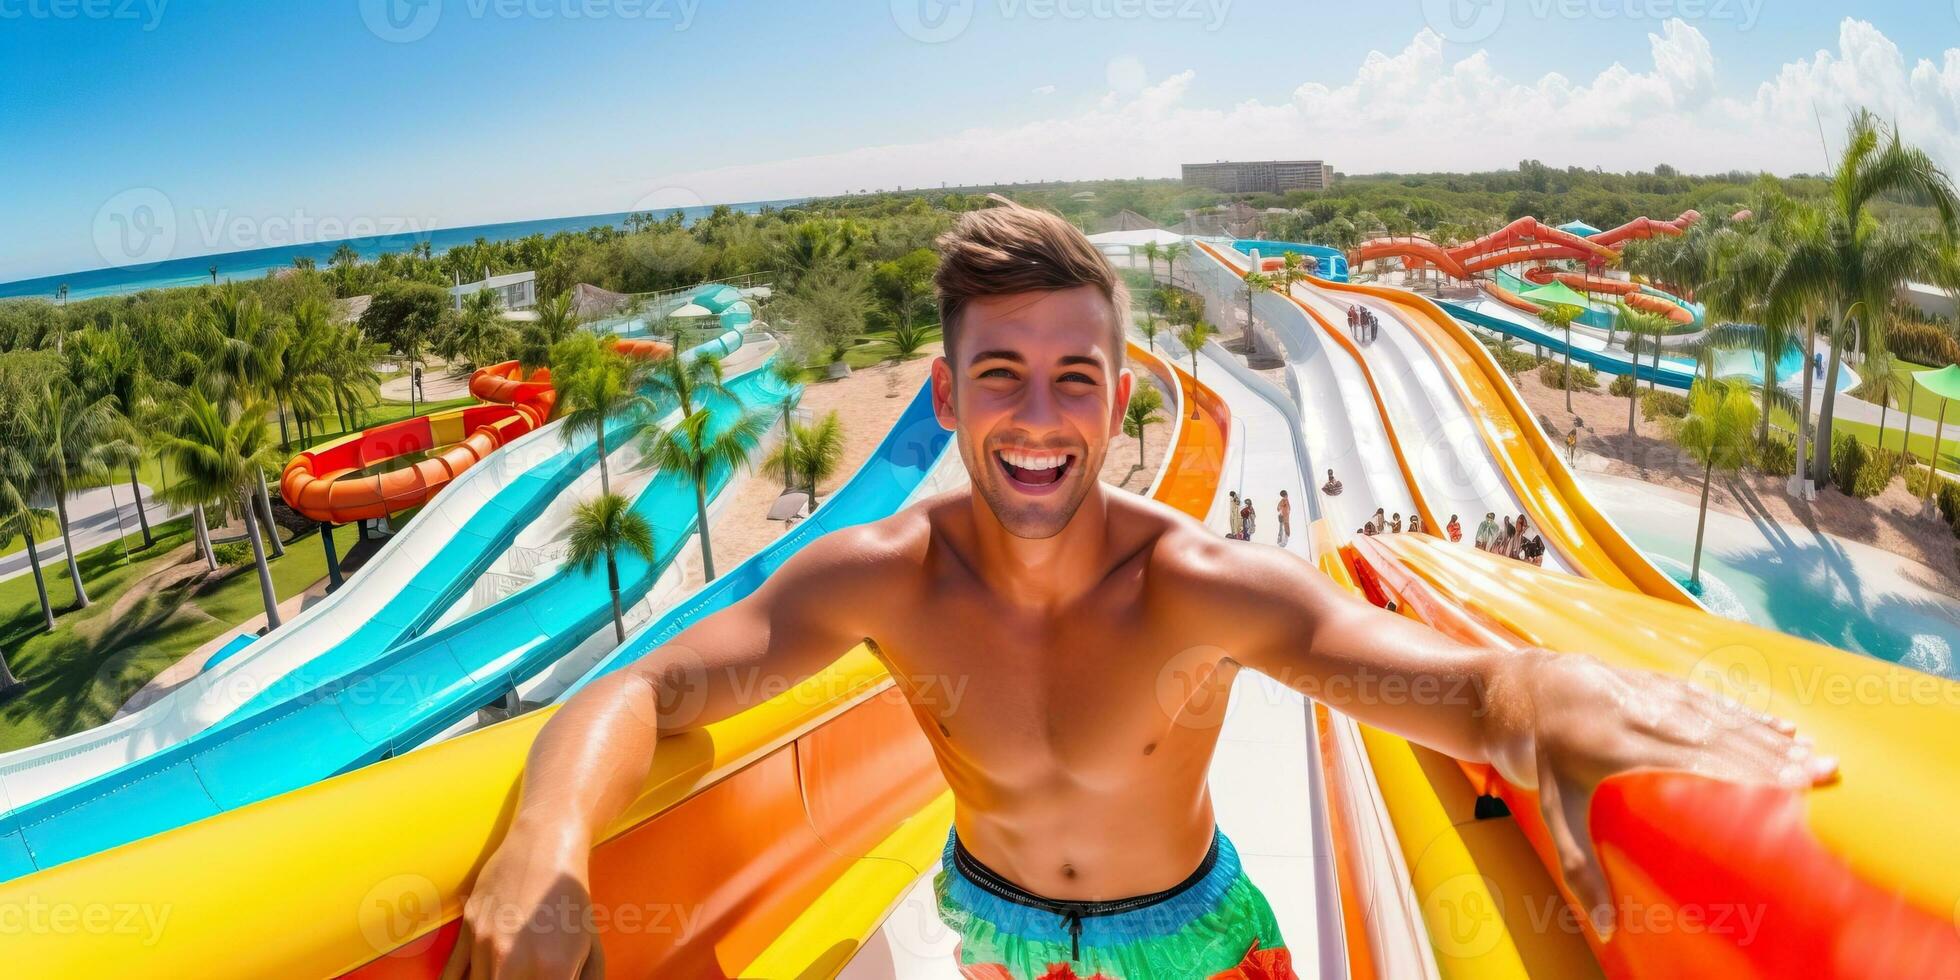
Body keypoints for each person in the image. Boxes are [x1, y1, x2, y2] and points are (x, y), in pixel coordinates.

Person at [444, 203, 1831, 980]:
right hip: (990, 931)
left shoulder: (1196, 587)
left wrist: (1539, 699)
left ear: (1121, 395)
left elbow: (1441, 680)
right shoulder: (878, 576)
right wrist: (550, 844)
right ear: (944, 394)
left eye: (1074, 377)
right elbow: (648, 684)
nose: (1038, 417)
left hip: (1194, 951)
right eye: (1000, 375)